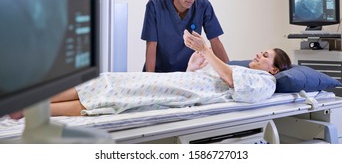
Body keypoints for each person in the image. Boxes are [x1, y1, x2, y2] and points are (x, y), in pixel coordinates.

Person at [24, 31, 291, 117]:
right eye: (261, 52)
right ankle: (29, 101)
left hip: (177, 91)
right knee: (109, 80)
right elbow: (211, 78)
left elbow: (234, 83)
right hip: (178, 82)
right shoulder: (243, 69)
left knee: (115, 95)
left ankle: (28, 110)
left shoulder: (265, 83)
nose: (259, 55)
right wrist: (196, 62)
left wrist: (207, 51)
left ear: (275, 69)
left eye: (266, 56)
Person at [141, 0, 229, 72]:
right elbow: (151, 45)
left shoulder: (203, 6)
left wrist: (231, 73)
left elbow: (215, 41)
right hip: (159, 73)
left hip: (187, 73)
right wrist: (151, 80)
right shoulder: (155, 5)